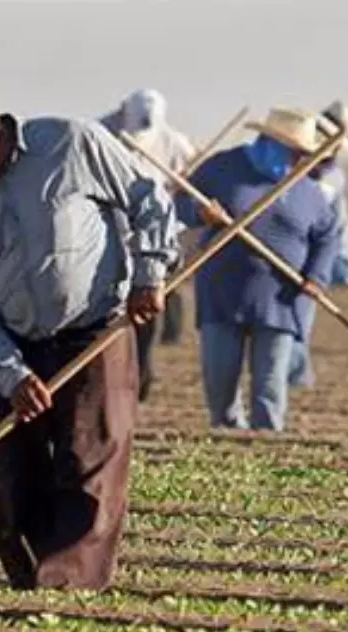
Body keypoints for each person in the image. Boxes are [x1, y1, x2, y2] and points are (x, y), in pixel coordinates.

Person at [0, 89, 179, 590]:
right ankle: (29, 577)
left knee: (88, 456)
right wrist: (10, 374)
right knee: (12, 463)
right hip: (15, 343)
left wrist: (149, 274)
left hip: (95, 328)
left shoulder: (70, 143)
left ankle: (64, 588)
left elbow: (149, 198)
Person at [177, 107, 341, 431]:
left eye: (303, 154)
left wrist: (316, 278)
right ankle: (227, 440)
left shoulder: (309, 191)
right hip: (222, 294)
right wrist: (201, 212)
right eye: (294, 151)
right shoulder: (224, 167)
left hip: (279, 298)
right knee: (219, 379)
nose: (299, 160)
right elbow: (180, 200)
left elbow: (327, 236)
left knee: (269, 383)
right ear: (272, 142)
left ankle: (266, 444)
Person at [101, 89, 197, 401]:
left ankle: (141, 373)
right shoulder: (102, 135)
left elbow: (194, 179)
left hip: (158, 234)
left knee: (150, 300)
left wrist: (185, 182)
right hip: (113, 233)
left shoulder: (175, 143)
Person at [288, 101, 348, 388]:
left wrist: (335, 264)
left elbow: (333, 228)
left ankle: (297, 377)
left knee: (297, 321)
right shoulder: (298, 168)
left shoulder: (330, 176)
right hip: (298, 254)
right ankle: (295, 376)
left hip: (317, 258)